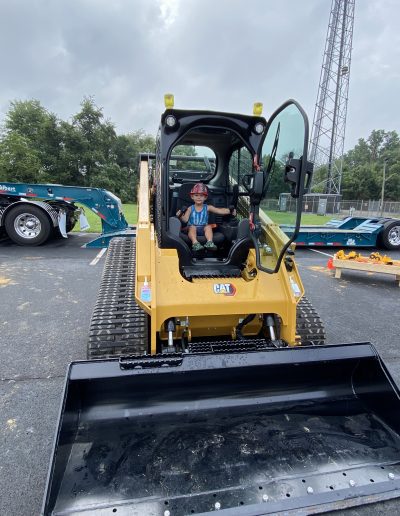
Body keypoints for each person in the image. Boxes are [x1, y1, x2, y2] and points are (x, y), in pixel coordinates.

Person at [176, 183, 236, 251]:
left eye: (201, 195)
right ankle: (195, 243)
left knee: (208, 227)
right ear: (192, 197)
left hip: (203, 228)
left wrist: (230, 211)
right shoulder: (190, 208)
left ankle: (209, 243)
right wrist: (180, 216)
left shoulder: (207, 207)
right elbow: (185, 220)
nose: (199, 197)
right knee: (192, 227)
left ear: (205, 197)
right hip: (192, 228)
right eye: (196, 195)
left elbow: (219, 210)